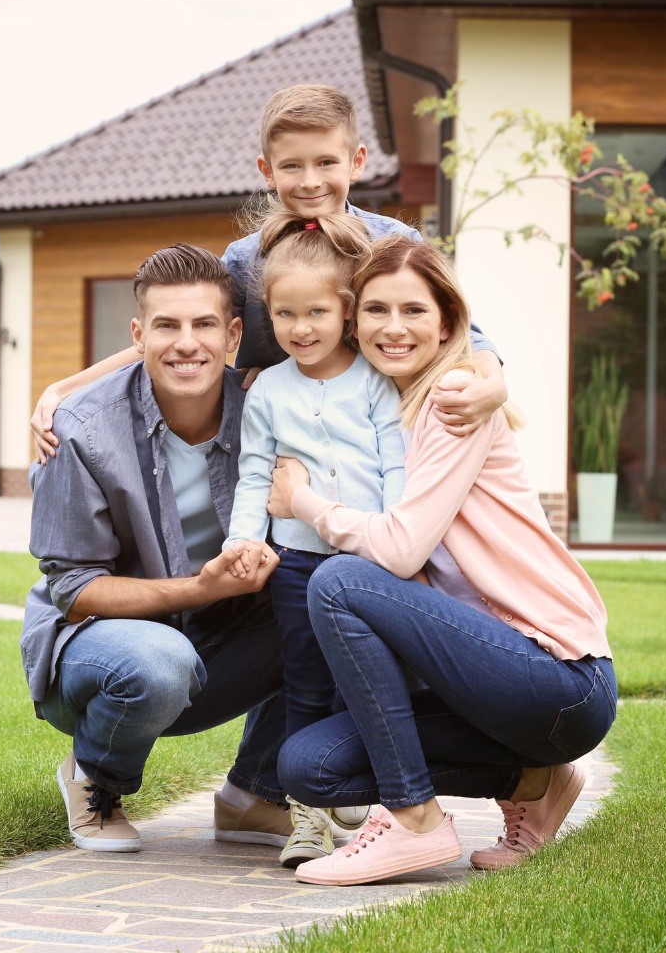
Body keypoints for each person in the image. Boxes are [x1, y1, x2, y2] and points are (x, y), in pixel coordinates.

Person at [268, 235, 617, 886]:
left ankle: (413, 821)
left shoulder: (454, 395)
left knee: (340, 580)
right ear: (354, 320)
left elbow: (399, 551)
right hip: (492, 686)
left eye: (413, 311)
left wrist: (305, 502)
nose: (392, 328)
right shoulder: (386, 409)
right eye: (375, 310)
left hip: (560, 676)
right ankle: (536, 779)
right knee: (308, 766)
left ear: (449, 323)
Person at [29, 83, 508, 463]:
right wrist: (66, 388)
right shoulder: (246, 258)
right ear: (267, 171)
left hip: (383, 432)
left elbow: (466, 334)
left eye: (326, 162)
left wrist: (494, 384)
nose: (310, 180)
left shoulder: (395, 246)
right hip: (283, 438)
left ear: (356, 162)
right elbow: (181, 329)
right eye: (292, 166)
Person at [20, 244, 293, 854]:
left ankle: (255, 793)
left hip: (217, 641)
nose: (186, 343)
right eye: (167, 325)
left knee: (335, 596)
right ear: (139, 333)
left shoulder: (268, 412)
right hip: (99, 654)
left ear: (234, 335)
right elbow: (74, 591)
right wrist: (200, 589)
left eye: (204, 325)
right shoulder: (82, 429)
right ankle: (96, 778)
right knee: (159, 660)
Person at [223, 210, 406, 869]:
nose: (300, 329)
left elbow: (397, 469)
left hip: (367, 563)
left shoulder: (377, 381)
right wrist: (244, 542)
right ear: (268, 315)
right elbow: (253, 476)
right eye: (284, 316)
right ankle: (305, 817)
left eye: (317, 314)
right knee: (303, 687)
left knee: (368, 684)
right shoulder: (268, 390)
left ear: (347, 311)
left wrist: (397, 541)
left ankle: (376, 806)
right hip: (298, 563)